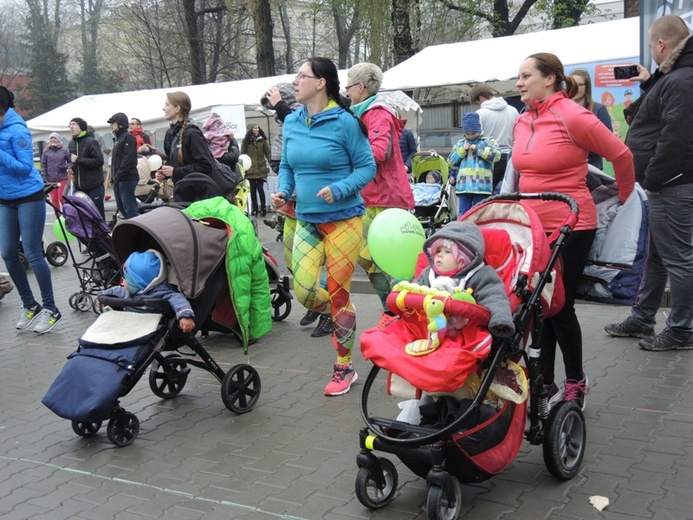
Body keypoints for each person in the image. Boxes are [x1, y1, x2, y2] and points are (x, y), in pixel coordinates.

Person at [513, 52, 635, 409]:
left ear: (550, 78)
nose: (519, 82)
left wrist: (625, 203)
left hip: (573, 225)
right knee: (538, 306)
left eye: (525, 76)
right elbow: (517, 173)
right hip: (532, 228)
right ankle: (544, 382)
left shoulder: (573, 115)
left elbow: (622, 155)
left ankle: (575, 381)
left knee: (560, 307)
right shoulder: (522, 120)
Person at [271, 57, 376, 396]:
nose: (295, 81)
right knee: (303, 291)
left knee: (339, 293)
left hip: (345, 220)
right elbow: (286, 165)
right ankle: (339, 308)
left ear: (321, 83)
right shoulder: (292, 123)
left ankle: (344, 368)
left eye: (301, 76)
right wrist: (284, 190)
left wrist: (340, 189)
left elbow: (367, 168)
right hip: (307, 220)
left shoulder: (345, 122)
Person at [604, 15, 693, 352]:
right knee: (658, 256)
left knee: (678, 258)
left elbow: (677, 136)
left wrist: (654, 179)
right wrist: (650, 80)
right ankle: (642, 317)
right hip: (669, 183)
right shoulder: (673, 78)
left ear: (660, 45)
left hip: (672, 184)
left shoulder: (681, 80)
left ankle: (682, 330)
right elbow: (637, 116)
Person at [261, 83, 333, 337]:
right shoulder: (285, 128)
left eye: (276, 106)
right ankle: (317, 301)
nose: (275, 114)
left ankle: (329, 311)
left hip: (317, 206)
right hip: (292, 207)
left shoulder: (305, 122)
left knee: (319, 263)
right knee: (293, 261)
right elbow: (283, 166)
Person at [346, 62, 415, 319]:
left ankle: (405, 314)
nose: (347, 92)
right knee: (365, 257)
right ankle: (392, 308)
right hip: (371, 198)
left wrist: (345, 157)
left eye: (349, 87)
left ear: (361, 88)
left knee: (396, 264)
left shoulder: (377, 112)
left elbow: (379, 152)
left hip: (388, 199)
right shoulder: (360, 113)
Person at [0, 86, 63, 333]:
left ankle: (51, 309)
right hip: (5, 199)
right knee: (7, 253)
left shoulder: (18, 131)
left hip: (29, 196)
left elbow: (25, 168)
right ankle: (30, 305)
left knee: (33, 252)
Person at [412, 221, 515, 349]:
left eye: (447, 251)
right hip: (427, 328)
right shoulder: (429, 273)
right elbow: (415, 288)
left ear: (463, 258)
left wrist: (500, 318)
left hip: (464, 333)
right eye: (438, 250)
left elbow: (494, 296)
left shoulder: (480, 275)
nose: (439, 254)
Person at [98, 250, 195, 333]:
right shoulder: (129, 291)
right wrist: (103, 296)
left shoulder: (163, 292)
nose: (124, 281)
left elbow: (178, 300)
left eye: (127, 279)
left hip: (149, 327)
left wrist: (185, 316)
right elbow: (116, 290)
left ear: (140, 282)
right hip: (128, 324)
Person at [447, 112, 501, 215]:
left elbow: (497, 156)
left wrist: (479, 150)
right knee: (464, 214)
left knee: (480, 214)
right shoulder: (460, 144)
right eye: (468, 134)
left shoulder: (488, 142)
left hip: (482, 188)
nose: (471, 136)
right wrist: (462, 151)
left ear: (479, 130)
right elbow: (450, 162)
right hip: (464, 188)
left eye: (473, 133)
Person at [158, 91, 215, 186]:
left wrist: (175, 171)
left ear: (177, 108)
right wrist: (165, 172)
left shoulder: (192, 133)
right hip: (180, 190)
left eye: (167, 105)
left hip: (197, 192)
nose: (163, 108)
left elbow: (205, 165)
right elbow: (173, 162)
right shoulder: (170, 133)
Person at [469, 83, 519, 190]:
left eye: (477, 102)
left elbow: (475, 138)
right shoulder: (513, 110)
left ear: (481, 98)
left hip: (488, 159)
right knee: (508, 195)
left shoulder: (480, 113)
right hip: (510, 158)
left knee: (487, 196)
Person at [569, 69, 613, 171]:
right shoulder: (560, 110)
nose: (575, 88)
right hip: (568, 168)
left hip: (592, 168)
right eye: (572, 84)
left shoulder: (599, 109)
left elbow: (607, 142)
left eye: (580, 85)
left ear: (587, 87)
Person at [67, 117, 105, 219]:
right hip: (78, 187)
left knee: (97, 217)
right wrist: (72, 169)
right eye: (70, 125)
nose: (71, 127)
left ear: (81, 126)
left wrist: (79, 160)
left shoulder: (91, 141)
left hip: (94, 186)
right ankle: (84, 235)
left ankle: (102, 235)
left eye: (74, 124)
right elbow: (74, 163)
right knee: (80, 218)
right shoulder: (71, 143)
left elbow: (99, 161)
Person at [108, 112, 139, 219]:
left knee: (129, 208)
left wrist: (117, 175)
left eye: (113, 122)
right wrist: (114, 178)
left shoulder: (128, 137)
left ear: (120, 124)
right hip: (119, 178)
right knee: (121, 207)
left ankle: (136, 230)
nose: (111, 125)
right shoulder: (118, 139)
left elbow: (128, 160)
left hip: (127, 178)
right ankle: (131, 228)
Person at [241, 124, 271, 217]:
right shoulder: (246, 141)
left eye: (258, 127)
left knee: (260, 189)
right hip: (251, 168)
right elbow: (243, 154)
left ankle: (263, 208)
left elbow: (267, 152)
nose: (257, 129)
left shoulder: (262, 140)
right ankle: (254, 208)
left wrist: (271, 162)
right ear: (251, 129)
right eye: (255, 128)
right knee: (252, 190)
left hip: (261, 168)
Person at [40, 132, 71, 213]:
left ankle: (67, 214)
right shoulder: (46, 151)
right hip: (50, 179)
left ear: (58, 140)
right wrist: (43, 174)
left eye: (55, 138)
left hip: (62, 178)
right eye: (51, 138)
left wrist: (65, 167)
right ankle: (58, 216)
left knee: (61, 197)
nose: (53, 140)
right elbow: (43, 164)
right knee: (54, 199)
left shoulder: (64, 151)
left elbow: (70, 162)